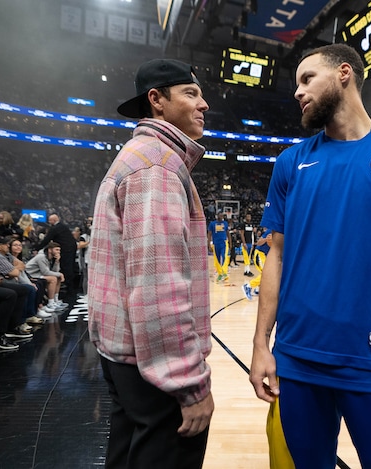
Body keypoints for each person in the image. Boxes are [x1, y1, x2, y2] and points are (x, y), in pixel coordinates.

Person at [249, 44, 371, 467]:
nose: (297, 93)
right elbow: (275, 258)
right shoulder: (289, 163)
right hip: (296, 365)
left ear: (343, 74)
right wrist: (261, 345)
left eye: (306, 80)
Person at [87, 58, 214, 469]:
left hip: (125, 356)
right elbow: (158, 288)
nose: (204, 104)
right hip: (152, 367)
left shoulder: (141, 156)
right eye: (191, 93)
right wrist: (189, 385)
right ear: (157, 101)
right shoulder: (157, 166)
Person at [35, 213, 77, 289]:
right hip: (71, 250)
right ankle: (70, 290)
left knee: (66, 269)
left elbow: (47, 240)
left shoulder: (55, 228)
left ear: (53, 220)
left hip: (65, 251)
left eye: (49, 220)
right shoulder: (63, 226)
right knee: (69, 269)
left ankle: (67, 288)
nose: (48, 222)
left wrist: (36, 248)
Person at [26, 242, 68, 313]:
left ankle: (55, 300)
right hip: (32, 274)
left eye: (59, 250)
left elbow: (55, 271)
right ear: (50, 250)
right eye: (56, 250)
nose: (58, 252)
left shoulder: (51, 257)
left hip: (39, 273)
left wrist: (57, 261)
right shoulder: (41, 257)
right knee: (53, 279)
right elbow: (45, 272)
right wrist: (60, 274)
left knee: (57, 277)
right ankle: (50, 303)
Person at [241, 227, 271, 300]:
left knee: (267, 273)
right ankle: (248, 286)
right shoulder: (271, 231)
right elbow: (259, 242)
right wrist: (266, 239)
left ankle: (257, 289)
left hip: (266, 255)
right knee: (266, 274)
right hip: (260, 253)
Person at [207, 212, 230, 283]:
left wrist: (230, 243)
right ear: (217, 216)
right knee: (217, 260)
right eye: (219, 215)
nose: (221, 216)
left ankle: (224, 273)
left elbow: (228, 233)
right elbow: (209, 234)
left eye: (222, 215)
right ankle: (220, 274)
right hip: (215, 244)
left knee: (224, 257)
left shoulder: (225, 223)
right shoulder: (212, 224)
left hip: (224, 243)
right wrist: (208, 244)